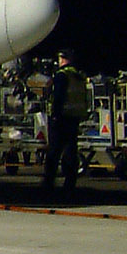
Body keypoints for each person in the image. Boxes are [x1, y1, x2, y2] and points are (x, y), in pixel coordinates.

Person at [42, 50, 87, 194]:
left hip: (60, 118)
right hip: (74, 117)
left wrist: (54, 113)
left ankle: (48, 183)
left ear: (62, 59)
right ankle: (70, 183)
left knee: (54, 152)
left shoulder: (62, 75)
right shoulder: (78, 75)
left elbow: (59, 97)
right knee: (70, 151)